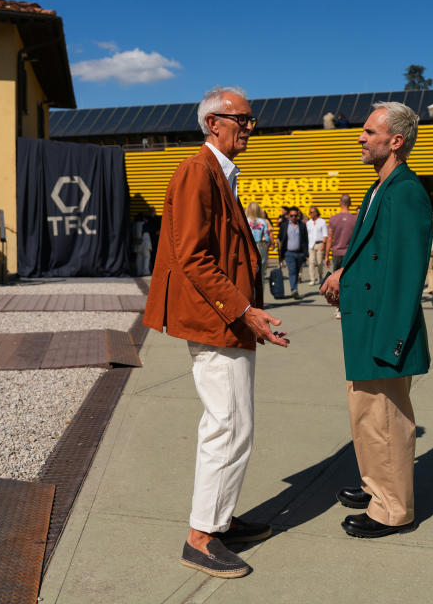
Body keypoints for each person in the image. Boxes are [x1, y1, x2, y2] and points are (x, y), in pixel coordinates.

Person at [142, 86, 288, 580]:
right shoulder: (197, 171)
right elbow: (192, 255)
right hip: (216, 321)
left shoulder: (217, 173)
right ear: (213, 123)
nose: (250, 127)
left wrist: (249, 313)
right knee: (227, 426)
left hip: (225, 319)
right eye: (242, 119)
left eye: (251, 119)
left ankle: (218, 519)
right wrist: (245, 310)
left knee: (233, 424)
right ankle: (201, 537)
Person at [320, 101, 432, 539]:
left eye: (369, 131)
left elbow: (406, 273)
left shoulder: (405, 191)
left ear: (395, 141)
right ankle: (376, 487)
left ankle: (393, 510)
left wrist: (392, 342)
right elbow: (375, 252)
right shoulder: (379, 187)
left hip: (384, 331)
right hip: (365, 325)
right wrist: (344, 273)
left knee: (386, 420)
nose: (360, 137)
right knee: (366, 416)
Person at [326, 194, 357, 320]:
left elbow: (329, 238)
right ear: (350, 203)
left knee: (336, 281)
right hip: (349, 254)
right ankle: (348, 305)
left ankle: (338, 307)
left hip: (337, 253)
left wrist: (326, 255)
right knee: (349, 281)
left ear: (340, 203)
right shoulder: (355, 219)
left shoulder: (333, 219)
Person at [278, 206, 308, 299]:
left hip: (299, 253)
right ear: (288, 216)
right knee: (292, 271)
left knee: (297, 271)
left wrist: (306, 253)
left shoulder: (302, 225)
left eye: (295, 215)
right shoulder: (284, 225)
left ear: (298, 215)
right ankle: (294, 289)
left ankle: (294, 288)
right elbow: (280, 236)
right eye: (292, 216)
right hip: (288, 253)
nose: (294, 217)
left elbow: (305, 239)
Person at [246, 201, 272, 289]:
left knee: (248, 274)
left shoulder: (245, 220)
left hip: (247, 247)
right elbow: (267, 237)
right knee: (260, 274)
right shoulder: (263, 221)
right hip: (260, 246)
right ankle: (260, 298)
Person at [305, 205, 328, 284]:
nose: (310, 214)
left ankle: (320, 277)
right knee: (311, 262)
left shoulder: (322, 221)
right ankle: (312, 279)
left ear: (316, 213)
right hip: (311, 245)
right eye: (309, 212)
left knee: (319, 263)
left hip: (319, 244)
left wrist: (324, 244)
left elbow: (325, 234)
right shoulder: (308, 223)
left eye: (311, 212)